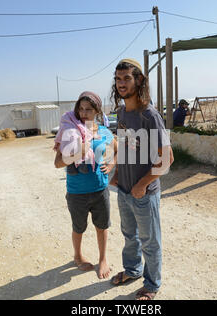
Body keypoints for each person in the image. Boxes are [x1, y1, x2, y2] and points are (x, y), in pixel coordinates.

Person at [109, 58, 174, 300]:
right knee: (129, 236)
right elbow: (126, 146)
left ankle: (152, 284)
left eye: (127, 78)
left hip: (143, 194)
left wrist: (142, 184)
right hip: (124, 191)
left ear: (139, 80)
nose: (121, 83)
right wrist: (117, 174)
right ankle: (133, 270)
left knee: (150, 241)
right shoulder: (122, 112)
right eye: (118, 79)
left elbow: (167, 159)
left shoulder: (150, 115)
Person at [54, 91, 118, 279]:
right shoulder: (71, 132)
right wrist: (78, 151)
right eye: (80, 109)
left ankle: (103, 259)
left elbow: (117, 149)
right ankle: (78, 256)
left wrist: (112, 164)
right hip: (77, 192)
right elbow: (57, 163)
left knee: (102, 226)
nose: (83, 113)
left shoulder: (104, 132)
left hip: (100, 190)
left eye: (88, 109)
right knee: (78, 227)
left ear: (97, 111)